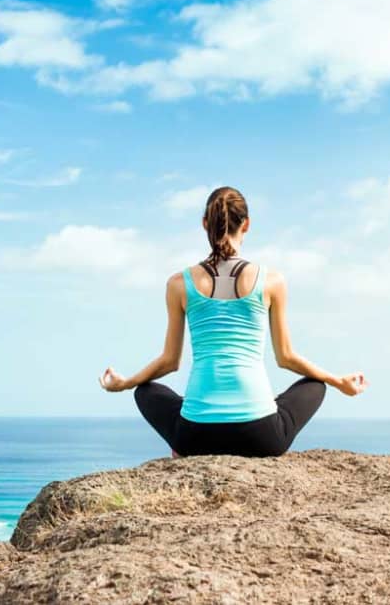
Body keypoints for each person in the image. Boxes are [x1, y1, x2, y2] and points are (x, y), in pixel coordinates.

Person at [98, 185, 368, 457]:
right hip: (261, 437)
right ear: (247, 225)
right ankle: (255, 404)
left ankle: (185, 444)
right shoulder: (272, 281)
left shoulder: (179, 284)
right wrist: (337, 381)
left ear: (205, 224)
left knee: (144, 391)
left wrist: (126, 383)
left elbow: (170, 361)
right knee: (315, 384)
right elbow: (286, 358)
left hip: (194, 437)